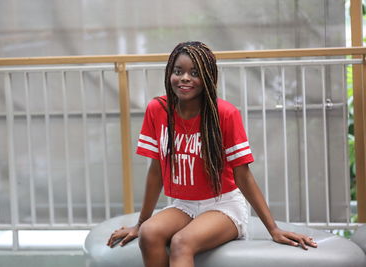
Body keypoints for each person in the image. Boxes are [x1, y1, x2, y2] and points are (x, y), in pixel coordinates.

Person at [107, 41, 317, 267]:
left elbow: (243, 176)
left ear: (208, 78)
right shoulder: (158, 110)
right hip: (183, 205)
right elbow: (156, 170)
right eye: (178, 71)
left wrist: (273, 229)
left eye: (194, 73)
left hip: (223, 206)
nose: (185, 78)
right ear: (169, 73)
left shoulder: (225, 114)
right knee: (149, 234)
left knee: (181, 242)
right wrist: (140, 223)